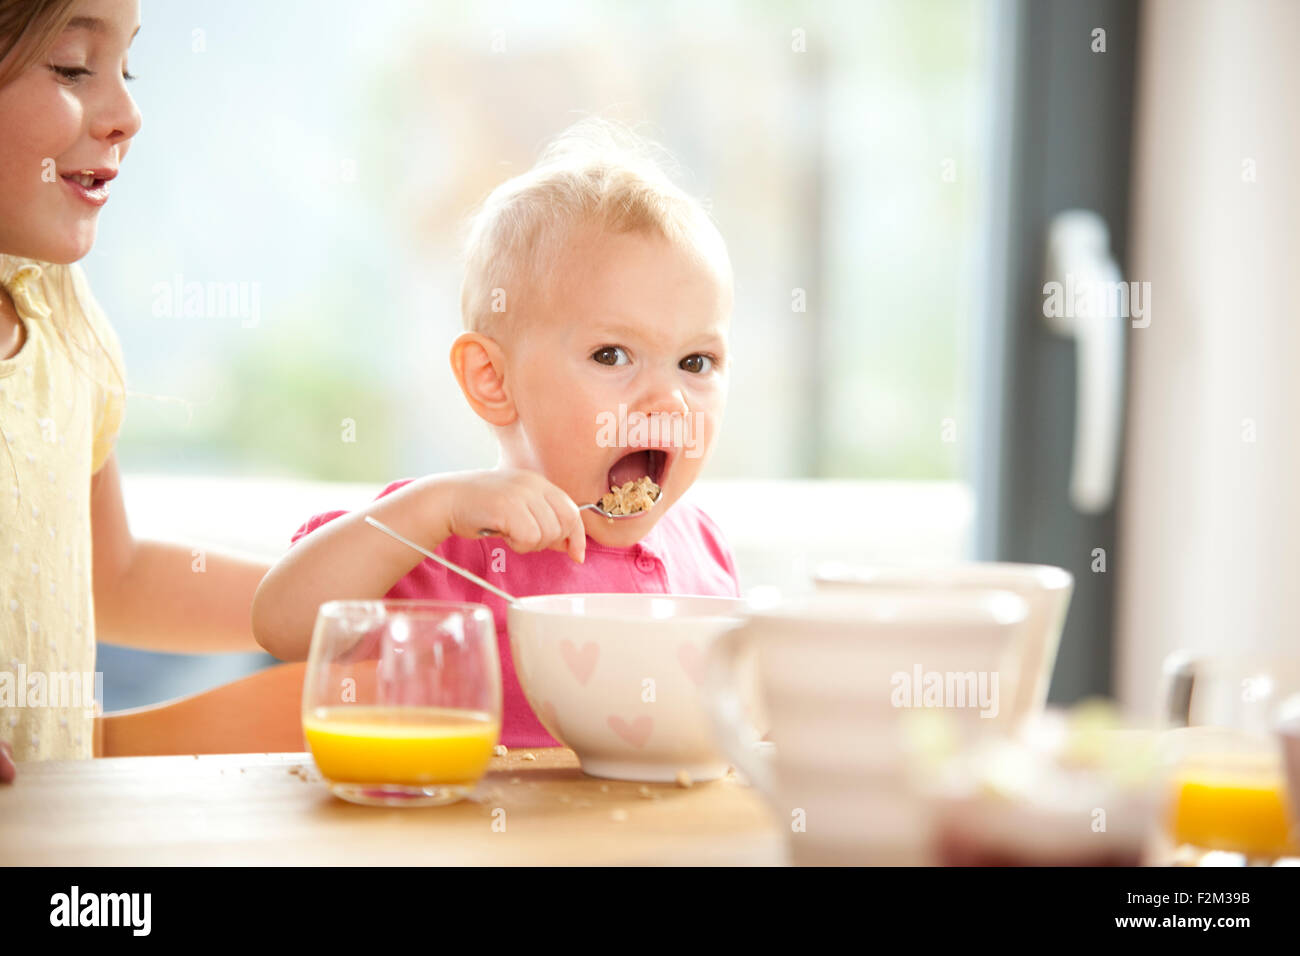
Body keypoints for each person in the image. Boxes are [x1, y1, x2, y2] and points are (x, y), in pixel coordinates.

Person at [253, 119, 741, 748]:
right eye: (613, 355)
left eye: (696, 363)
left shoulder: (704, 551)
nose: (667, 398)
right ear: (493, 378)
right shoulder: (450, 542)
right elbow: (283, 624)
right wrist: (433, 509)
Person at [0, 0, 268, 781]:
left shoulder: (60, 314)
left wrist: (342, 604)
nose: (128, 114)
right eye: (73, 66)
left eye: (128, 67)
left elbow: (108, 575)